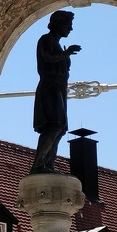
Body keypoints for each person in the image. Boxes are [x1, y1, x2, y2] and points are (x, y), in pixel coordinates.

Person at [30, 10, 81, 174]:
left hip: (59, 88)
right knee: (53, 125)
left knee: (61, 128)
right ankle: (39, 165)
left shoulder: (57, 44)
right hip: (49, 87)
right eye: (69, 25)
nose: (71, 29)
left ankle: (48, 164)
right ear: (59, 24)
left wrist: (65, 57)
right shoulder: (46, 40)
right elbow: (47, 57)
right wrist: (65, 54)